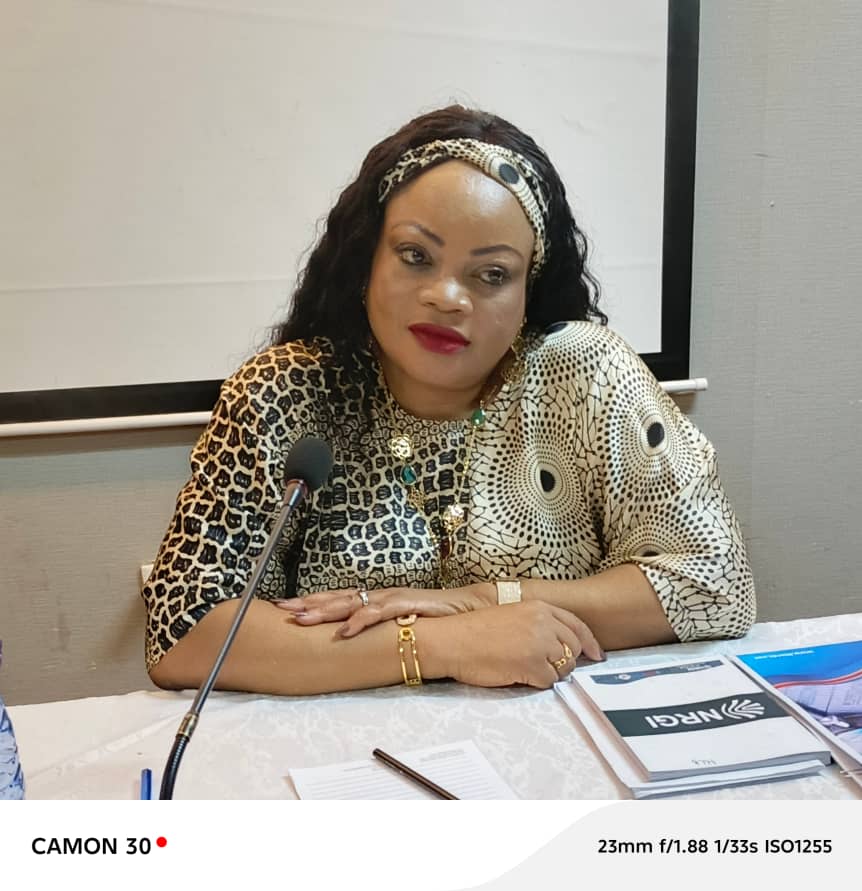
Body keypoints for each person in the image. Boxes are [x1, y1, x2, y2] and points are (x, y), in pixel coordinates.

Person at [143, 105, 755, 696]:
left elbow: (716, 583)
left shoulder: (585, 372)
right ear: (365, 260)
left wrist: (483, 601)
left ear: (529, 288)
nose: (447, 297)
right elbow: (183, 631)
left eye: (492, 275)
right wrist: (443, 643)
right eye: (416, 257)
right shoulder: (285, 390)